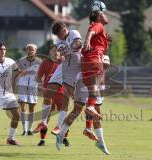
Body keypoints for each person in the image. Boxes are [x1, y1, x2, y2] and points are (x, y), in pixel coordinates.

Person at [55, 11, 111, 155]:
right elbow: (84, 39)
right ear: (99, 17)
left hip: (82, 71)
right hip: (89, 65)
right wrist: (86, 42)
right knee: (94, 108)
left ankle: (62, 134)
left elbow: (78, 44)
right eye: (103, 14)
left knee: (78, 109)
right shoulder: (97, 25)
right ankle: (96, 135)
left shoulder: (91, 31)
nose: (106, 16)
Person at [33, 22, 93, 135]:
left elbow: (78, 44)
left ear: (64, 29)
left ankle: (58, 126)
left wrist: (68, 49)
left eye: (59, 34)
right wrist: (66, 50)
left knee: (66, 98)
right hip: (64, 66)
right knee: (48, 92)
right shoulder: (59, 41)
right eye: (57, 35)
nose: (59, 37)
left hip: (75, 67)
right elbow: (61, 51)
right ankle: (44, 122)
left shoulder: (73, 32)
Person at [36, 44, 70, 147]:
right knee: (46, 117)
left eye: (58, 51)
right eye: (53, 50)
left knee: (64, 117)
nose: (56, 53)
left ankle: (64, 138)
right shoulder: (45, 63)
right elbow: (38, 78)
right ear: (49, 52)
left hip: (61, 92)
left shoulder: (64, 62)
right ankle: (42, 140)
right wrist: (42, 86)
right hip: (49, 93)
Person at [15, 43, 42, 136]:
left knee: (31, 108)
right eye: (28, 49)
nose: (30, 51)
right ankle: (24, 130)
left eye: (32, 50)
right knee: (22, 107)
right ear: (26, 50)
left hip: (33, 87)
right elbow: (16, 71)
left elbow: (42, 74)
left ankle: (29, 130)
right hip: (22, 86)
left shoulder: (39, 62)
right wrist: (24, 72)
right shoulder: (21, 61)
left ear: (35, 51)